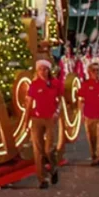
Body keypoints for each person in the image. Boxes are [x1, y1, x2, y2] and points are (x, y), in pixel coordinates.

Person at [26, 59, 61, 189]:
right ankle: (42, 179)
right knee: (38, 150)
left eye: (45, 69)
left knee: (49, 149)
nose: (43, 72)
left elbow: (60, 100)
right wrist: (26, 121)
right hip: (36, 119)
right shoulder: (34, 85)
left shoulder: (56, 84)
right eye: (40, 69)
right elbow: (29, 104)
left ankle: (53, 168)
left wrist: (57, 112)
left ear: (49, 70)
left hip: (50, 118)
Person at [79, 61, 99, 166]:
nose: (96, 72)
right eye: (94, 70)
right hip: (89, 115)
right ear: (89, 72)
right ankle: (94, 156)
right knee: (92, 138)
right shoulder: (85, 84)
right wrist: (81, 115)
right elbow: (81, 101)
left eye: (98, 70)